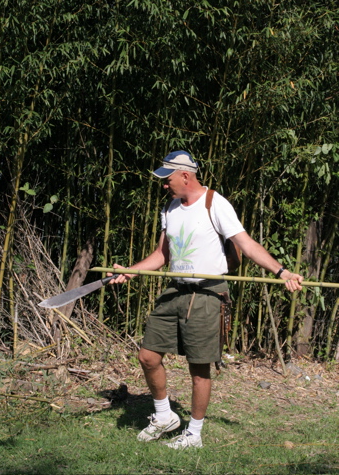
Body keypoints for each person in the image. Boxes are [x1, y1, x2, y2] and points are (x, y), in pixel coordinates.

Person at [109, 150, 303, 449]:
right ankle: (164, 416)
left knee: (199, 367)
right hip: (174, 289)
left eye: (167, 179)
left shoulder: (215, 203)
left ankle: (194, 435)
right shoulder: (170, 207)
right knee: (148, 356)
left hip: (207, 293)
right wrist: (131, 271)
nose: (164, 185)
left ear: (185, 176)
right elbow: (162, 255)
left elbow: (245, 243)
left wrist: (281, 271)